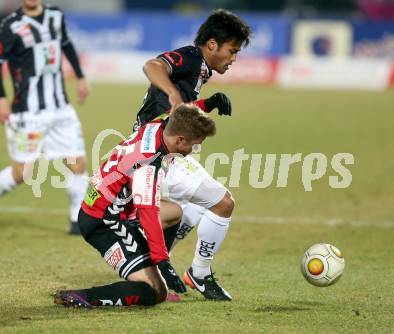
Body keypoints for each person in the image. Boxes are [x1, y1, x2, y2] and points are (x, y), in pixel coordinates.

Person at [134, 9, 251, 301]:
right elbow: (152, 66)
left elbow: (179, 107)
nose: (233, 58)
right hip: (157, 155)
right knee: (223, 204)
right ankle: (196, 272)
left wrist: (207, 103)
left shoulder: (200, 71)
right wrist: (173, 93)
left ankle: (158, 264)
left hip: (154, 151)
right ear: (212, 45)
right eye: (232, 50)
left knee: (194, 208)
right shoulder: (190, 56)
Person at [54, 104, 216, 308]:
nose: (193, 151)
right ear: (180, 140)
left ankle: (150, 267)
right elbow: (148, 212)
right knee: (156, 292)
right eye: (194, 145)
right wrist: (163, 262)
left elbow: (177, 113)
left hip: (110, 206)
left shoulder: (159, 125)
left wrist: (207, 104)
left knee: (174, 212)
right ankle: (81, 296)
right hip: (104, 221)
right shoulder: (148, 164)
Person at [0, 0, 90, 234]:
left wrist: (80, 77)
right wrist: (1, 98)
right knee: (22, 173)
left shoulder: (56, 16)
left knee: (78, 163)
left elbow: (65, 44)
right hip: (28, 112)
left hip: (60, 108)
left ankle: (76, 220)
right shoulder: (11, 25)